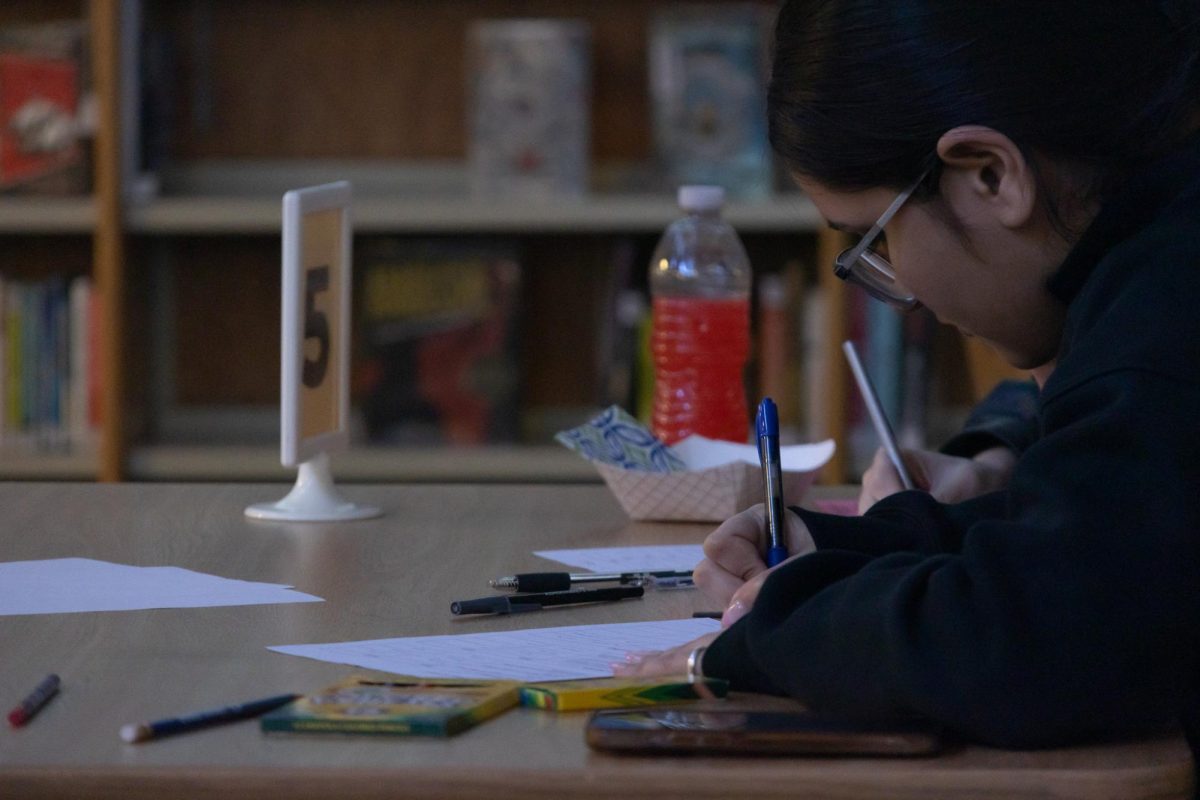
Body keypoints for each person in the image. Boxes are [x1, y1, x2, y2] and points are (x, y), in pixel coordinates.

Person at [614, 0, 1200, 763]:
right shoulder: (1153, 270)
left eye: (875, 238)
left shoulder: (1159, 331)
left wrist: (768, 637)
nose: (900, 288)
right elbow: (1090, 553)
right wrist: (845, 547)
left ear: (990, 175)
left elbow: (1030, 645)